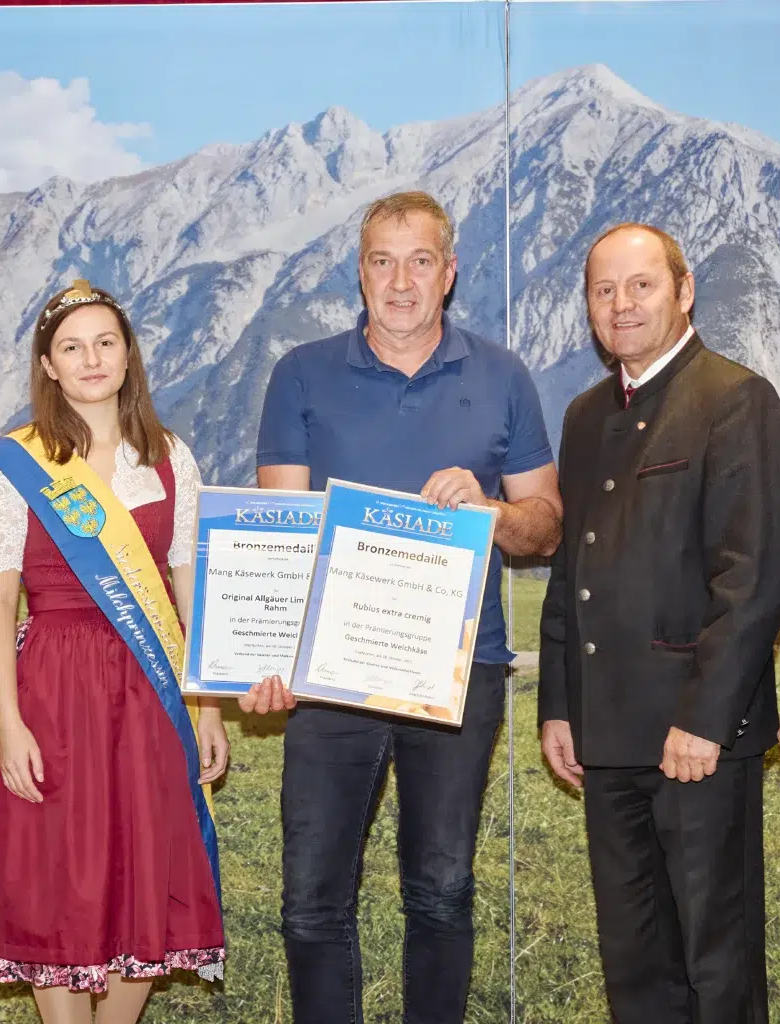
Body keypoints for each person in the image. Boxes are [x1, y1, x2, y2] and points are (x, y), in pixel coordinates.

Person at [241, 190, 563, 1024]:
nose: (401, 280)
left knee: (442, 892)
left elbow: (546, 528)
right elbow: (280, 531)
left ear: (449, 272)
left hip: (460, 675)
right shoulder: (302, 373)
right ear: (360, 274)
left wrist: (488, 513)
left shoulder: (503, 376)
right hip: (330, 678)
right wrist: (266, 658)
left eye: (420, 260)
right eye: (382, 261)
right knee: (310, 902)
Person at [537, 223, 780, 1024]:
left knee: (715, 963)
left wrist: (704, 719)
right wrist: (557, 702)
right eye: (604, 290)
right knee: (635, 966)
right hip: (606, 735)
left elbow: (753, 580)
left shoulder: (734, 398)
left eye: (641, 285)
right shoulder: (583, 415)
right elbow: (570, 573)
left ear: (684, 291)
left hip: (696, 740)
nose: (621, 305)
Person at [0, 280, 228, 1024]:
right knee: (60, 869)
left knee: (144, 861)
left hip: (152, 689)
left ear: (128, 354)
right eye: (72, 347)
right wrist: (8, 722)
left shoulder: (171, 457)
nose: (91, 359)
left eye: (105, 342)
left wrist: (206, 708)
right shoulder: (14, 464)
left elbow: (187, 588)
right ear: (48, 365)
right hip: (53, 684)